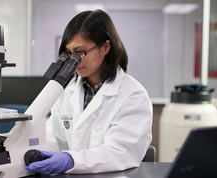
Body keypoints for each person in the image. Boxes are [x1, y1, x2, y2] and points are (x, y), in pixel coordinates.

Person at [26, 10, 153, 174]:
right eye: (70, 53)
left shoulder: (133, 96)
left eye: (81, 52)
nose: (75, 60)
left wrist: (70, 160)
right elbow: (53, 138)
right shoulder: (66, 91)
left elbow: (119, 153)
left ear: (106, 47)